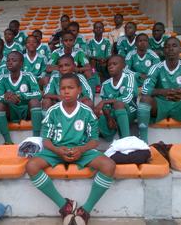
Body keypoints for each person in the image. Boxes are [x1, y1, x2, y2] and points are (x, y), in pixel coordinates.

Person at [26, 73, 115, 225]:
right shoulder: (52, 111)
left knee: (109, 166)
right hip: (56, 150)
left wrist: (81, 149)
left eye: (71, 88)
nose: (66, 91)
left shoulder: (87, 112)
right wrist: (57, 150)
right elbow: (46, 140)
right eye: (63, 88)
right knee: (31, 166)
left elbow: (94, 141)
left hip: (81, 150)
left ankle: (85, 211)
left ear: (79, 90)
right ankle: (64, 205)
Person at [138, 37, 181, 143]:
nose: (171, 49)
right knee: (145, 99)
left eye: (174, 46)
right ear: (163, 51)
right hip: (161, 104)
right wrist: (162, 92)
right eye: (167, 46)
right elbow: (145, 89)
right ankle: (143, 143)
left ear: (180, 50)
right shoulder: (156, 67)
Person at [0, 51, 42, 144]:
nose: (10, 62)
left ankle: (36, 140)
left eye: (14, 60)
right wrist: (6, 97)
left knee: (35, 102)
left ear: (21, 63)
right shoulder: (2, 78)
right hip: (11, 110)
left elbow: (38, 94)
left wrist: (20, 95)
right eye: (8, 60)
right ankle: (8, 141)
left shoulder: (28, 75)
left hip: (26, 110)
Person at [94, 55, 138, 142]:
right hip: (112, 113)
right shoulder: (106, 84)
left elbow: (127, 98)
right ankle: (108, 136)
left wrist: (104, 102)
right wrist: (108, 118)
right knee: (100, 117)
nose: (111, 66)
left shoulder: (129, 77)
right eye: (109, 64)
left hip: (130, 110)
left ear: (123, 66)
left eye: (114, 64)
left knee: (118, 104)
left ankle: (126, 141)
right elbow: (105, 106)